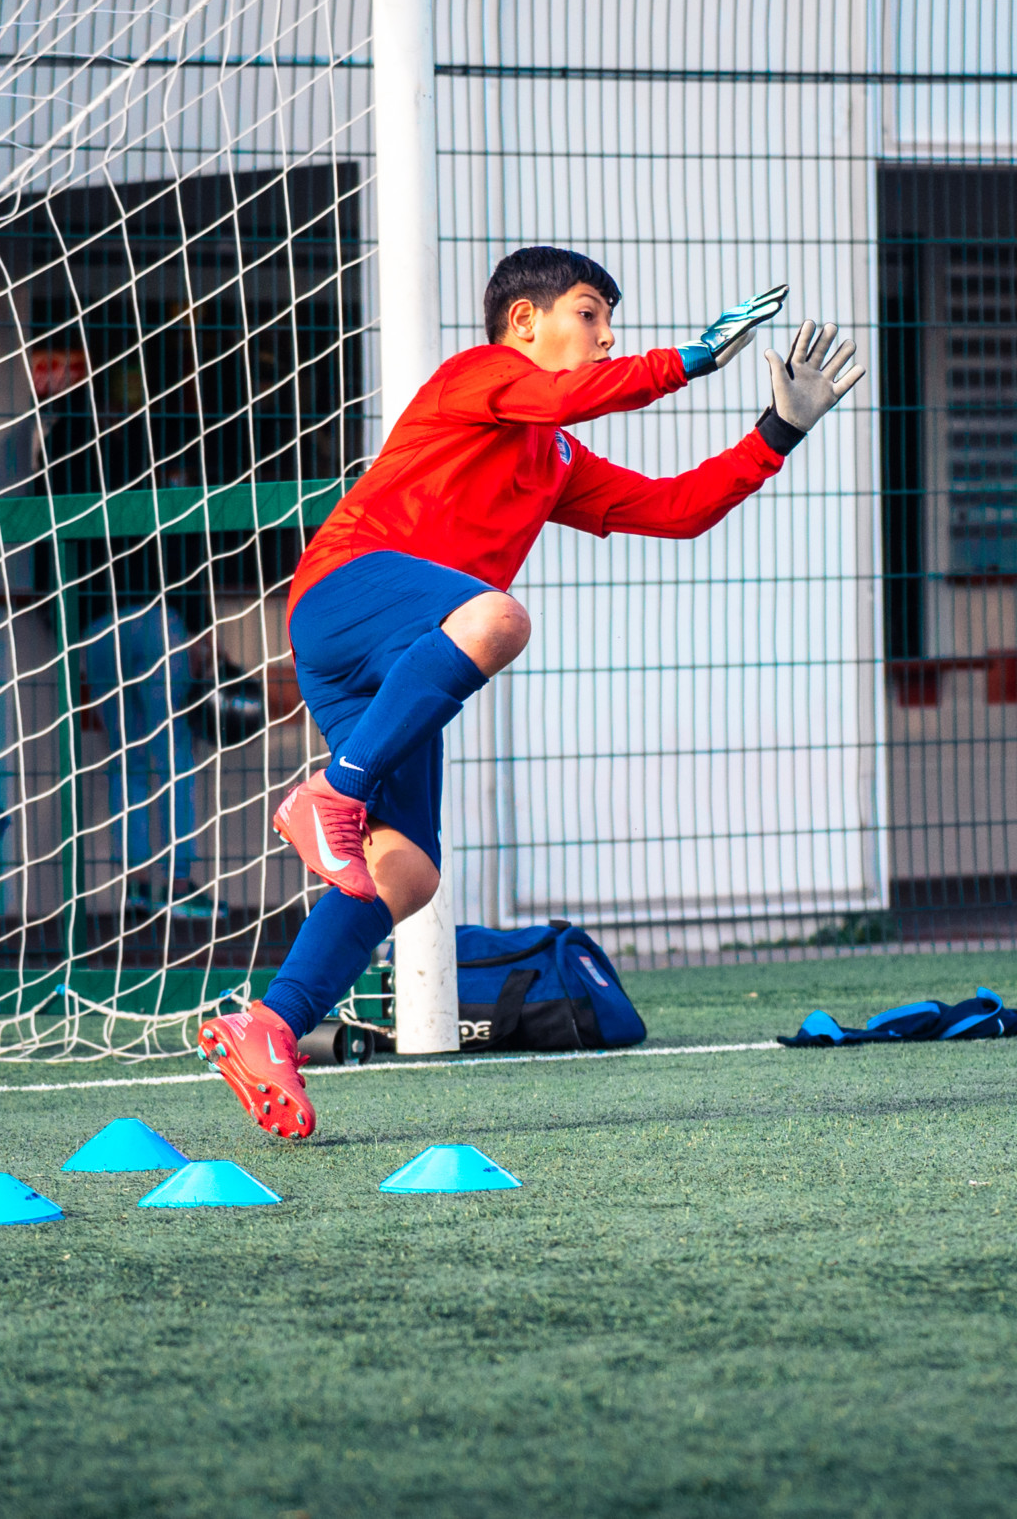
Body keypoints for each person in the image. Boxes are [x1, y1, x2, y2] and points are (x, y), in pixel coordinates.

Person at [195, 246, 861, 1138]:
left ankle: (270, 1023)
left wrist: (777, 430)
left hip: (400, 657)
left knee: (407, 870)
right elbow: (567, 393)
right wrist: (692, 359)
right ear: (524, 323)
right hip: (345, 597)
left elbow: (673, 510)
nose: (607, 334)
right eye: (590, 313)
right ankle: (333, 792)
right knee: (499, 619)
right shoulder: (480, 377)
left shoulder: (552, 455)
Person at [74, 599, 212, 921]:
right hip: (157, 617)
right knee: (173, 758)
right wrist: (201, 629)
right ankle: (178, 887)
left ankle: (136, 886)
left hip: (100, 625)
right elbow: (187, 557)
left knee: (125, 762)